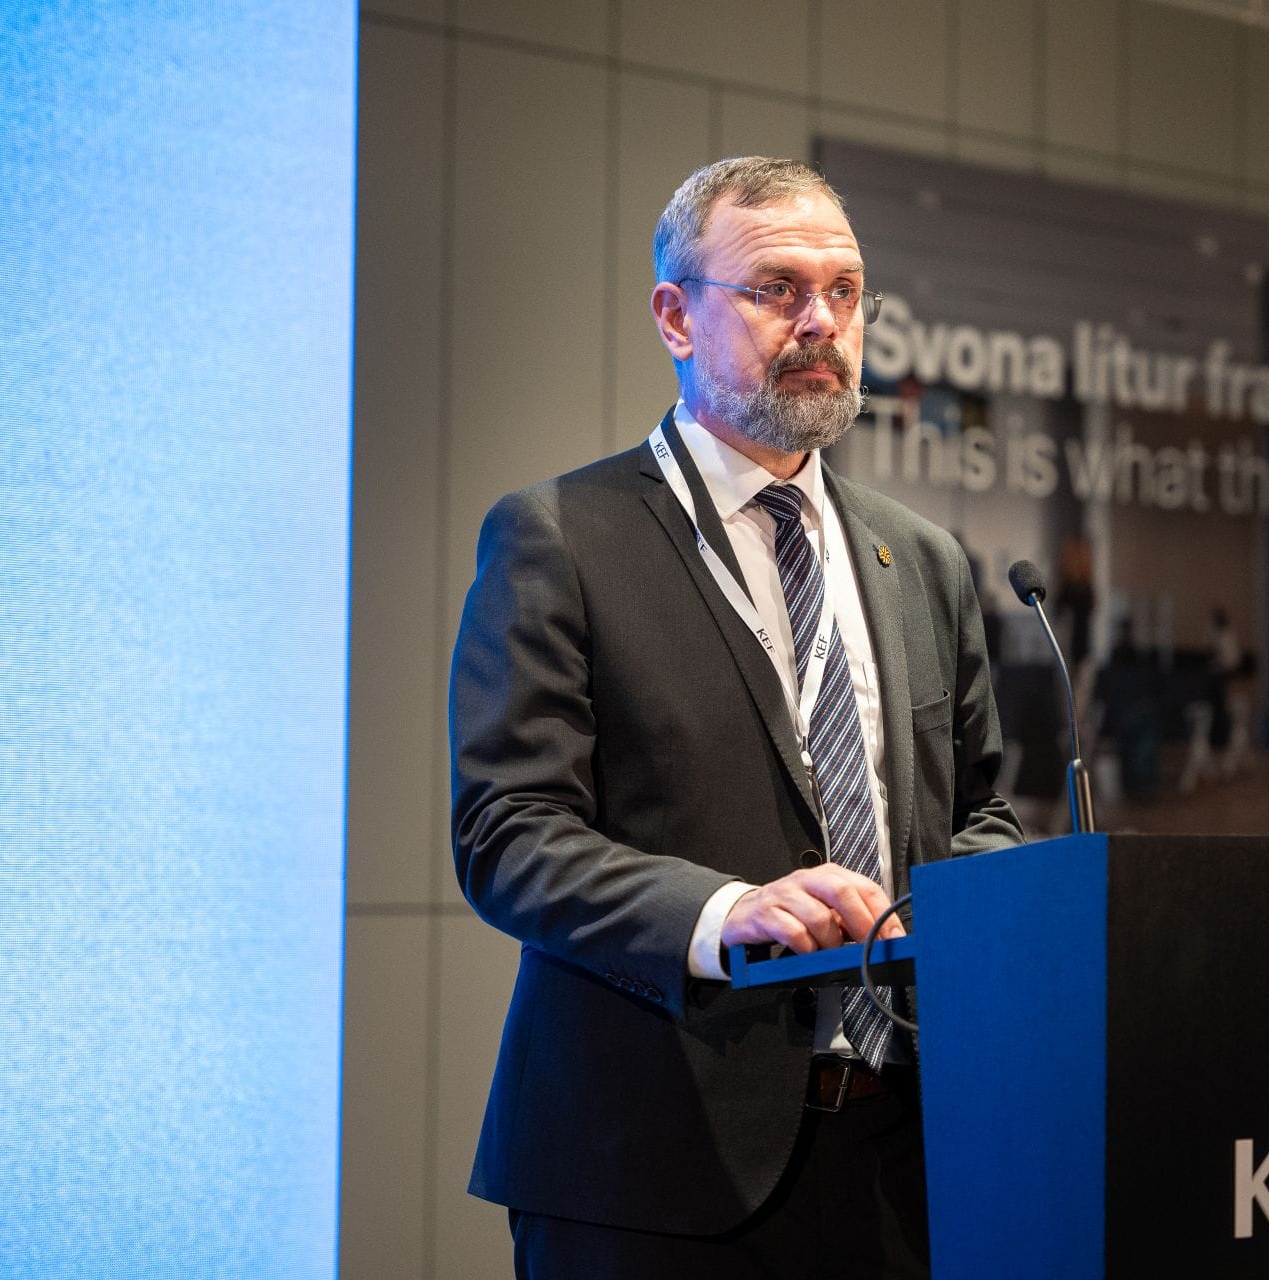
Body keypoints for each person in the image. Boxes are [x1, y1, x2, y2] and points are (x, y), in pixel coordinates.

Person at [448, 157, 1023, 1278]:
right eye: (776, 290)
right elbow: (509, 833)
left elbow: (980, 811)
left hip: (906, 1160)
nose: (821, 322)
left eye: (844, 291)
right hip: (652, 1167)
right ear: (676, 316)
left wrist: (970, 904)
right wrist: (725, 912)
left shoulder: (924, 560)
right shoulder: (560, 537)